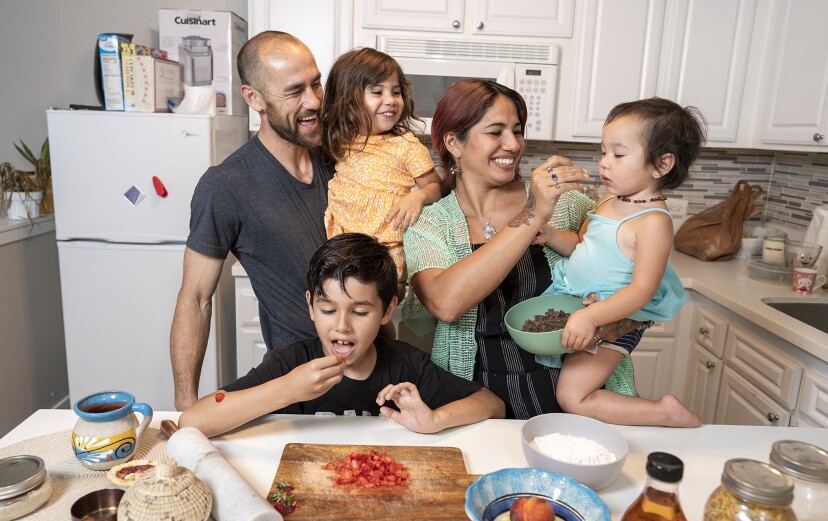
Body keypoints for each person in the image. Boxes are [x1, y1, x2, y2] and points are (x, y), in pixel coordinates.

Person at [402, 79, 642, 420]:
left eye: (517, 130)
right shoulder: (430, 224)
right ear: (454, 142)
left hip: (575, 392)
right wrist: (532, 214)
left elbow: (638, 285)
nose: (513, 145)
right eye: (495, 132)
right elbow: (445, 302)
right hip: (478, 400)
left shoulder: (567, 206)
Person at [178, 233, 505, 437]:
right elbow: (193, 420)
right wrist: (286, 390)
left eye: (360, 312)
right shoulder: (290, 363)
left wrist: (435, 419)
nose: (342, 326)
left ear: (387, 310)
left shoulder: (406, 364)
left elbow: (492, 405)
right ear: (310, 305)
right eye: (328, 309)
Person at [170, 31, 333, 411]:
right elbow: (195, 298)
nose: (313, 101)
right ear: (253, 98)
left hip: (372, 375)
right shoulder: (226, 185)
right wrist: (185, 405)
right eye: (295, 91)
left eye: (316, 83)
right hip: (295, 388)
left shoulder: (343, 161)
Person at [537, 97, 705, 427]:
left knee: (572, 396)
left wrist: (592, 317)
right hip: (582, 309)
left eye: (618, 154)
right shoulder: (608, 201)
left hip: (611, 320)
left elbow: (643, 289)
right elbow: (583, 246)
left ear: (661, 164)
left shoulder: (653, 221)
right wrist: (551, 235)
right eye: (603, 152)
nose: (604, 163)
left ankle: (663, 413)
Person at [321, 48, 442, 292]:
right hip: (344, 246)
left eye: (396, 92)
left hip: (388, 248)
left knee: (381, 306)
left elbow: (435, 187)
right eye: (377, 92)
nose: (391, 100)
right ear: (348, 98)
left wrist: (417, 196)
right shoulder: (340, 141)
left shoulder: (406, 145)